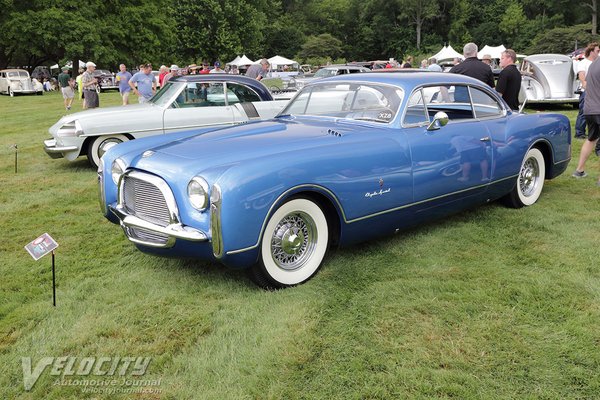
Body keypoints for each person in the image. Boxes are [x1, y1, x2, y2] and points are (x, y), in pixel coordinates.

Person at [572, 54, 600, 185]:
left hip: (589, 109)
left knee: (591, 139)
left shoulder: (594, 64)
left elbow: (588, 84)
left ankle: (579, 170)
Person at [575, 42, 600, 139]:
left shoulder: (597, 63)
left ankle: (594, 134)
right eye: (597, 51)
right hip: (587, 91)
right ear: (591, 51)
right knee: (583, 113)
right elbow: (582, 78)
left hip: (596, 91)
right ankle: (579, 132)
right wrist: (588, 89)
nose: (599, 53)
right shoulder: (583, 63)